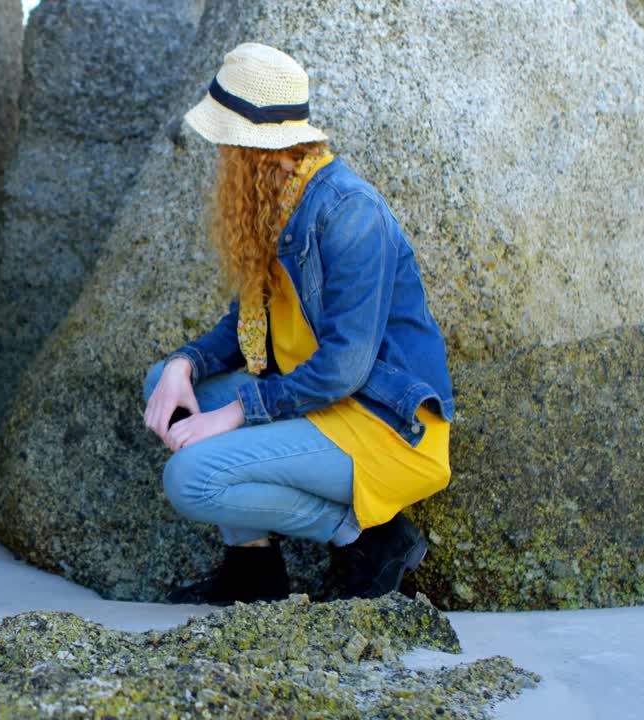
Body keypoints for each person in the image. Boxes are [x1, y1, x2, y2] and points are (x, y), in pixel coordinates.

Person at [142, 43, 454, 605]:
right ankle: (254, 573)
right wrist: (182, 364)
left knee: (190, 479)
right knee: (164, 384)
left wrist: (235, 414)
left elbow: (344, 367)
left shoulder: (349, 213)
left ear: (254, 148)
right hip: (315, 403)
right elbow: (243, 329)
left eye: (226, 146)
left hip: (379, 425)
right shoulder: (278, 200)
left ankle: (368, 538)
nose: (220, 160)